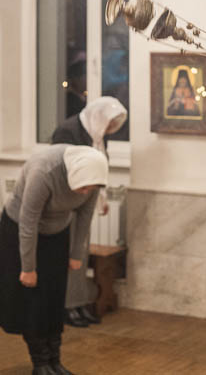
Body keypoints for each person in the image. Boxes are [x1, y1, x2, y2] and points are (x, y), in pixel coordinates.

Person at [0, 145, 107, 375]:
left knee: (54, 298)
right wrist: (28, 267)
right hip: (21, 231)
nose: (85, 192)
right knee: (34, 302)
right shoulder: (44, 171)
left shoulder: (92, 176)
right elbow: (28, 221)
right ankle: (40, 363)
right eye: (82, 187)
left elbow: (85, 216)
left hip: (57, 233)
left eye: (90, 188)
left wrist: (76, 254)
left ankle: (54, 361)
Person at [51, 96, 128, 327]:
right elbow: (63, 169)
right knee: (69, 255)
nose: (110, 128)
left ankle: (78, 303)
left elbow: (98, 169)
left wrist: (100, 198)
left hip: (85, 200)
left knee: (80, 256)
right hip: (67, 203)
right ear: (99, 116)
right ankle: (65, 306)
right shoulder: (68, 131)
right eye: (109, 123)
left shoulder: (98, 134)